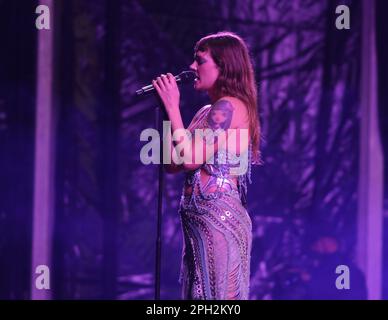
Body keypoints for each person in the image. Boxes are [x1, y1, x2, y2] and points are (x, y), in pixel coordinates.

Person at [152, 31, 260, 300]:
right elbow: (173, 163)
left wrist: (174, 107)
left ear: (223, 66)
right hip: (198, 221)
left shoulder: (230, 106)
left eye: (199, 61)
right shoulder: (206, 112)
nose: (191, 68)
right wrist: (168, 112)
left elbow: (190, 159)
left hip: (218, 219)